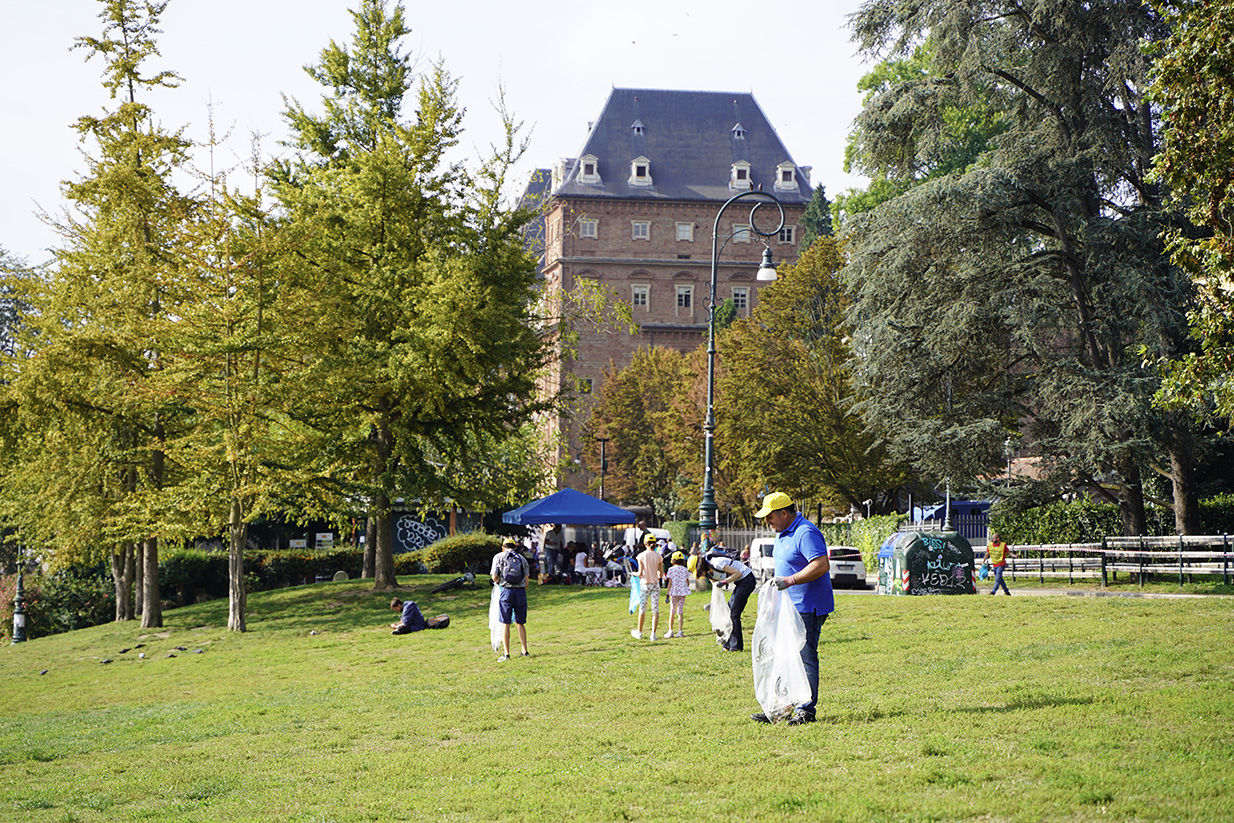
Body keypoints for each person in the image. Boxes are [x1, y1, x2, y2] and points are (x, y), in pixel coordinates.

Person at [753, 491, 834, 726]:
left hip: (807, 607)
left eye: (770, 516)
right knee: (785, 657)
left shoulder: (805, 532)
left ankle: (806, 711)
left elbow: (821, 565)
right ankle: (784, 708)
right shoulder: (782, 533)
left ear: (784, 513)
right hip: (787, 607)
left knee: (804, 657)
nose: (767, 521)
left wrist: (790, 581)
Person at [695, 548, 756, 652]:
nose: (705, 576)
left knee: (734, 614)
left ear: (704, 568)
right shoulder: (710, 570)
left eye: (703, 574)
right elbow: (715, 583)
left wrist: (724, 582)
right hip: (740, 583)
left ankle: (736, 647)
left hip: (747, 580)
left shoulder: (717, 563)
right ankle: (727, 645)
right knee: (728, 613)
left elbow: (738, 573)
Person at [490, 537, 531, 661]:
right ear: (514, 547)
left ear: (503, 547)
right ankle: (524, 651)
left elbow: (494, 576)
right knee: (520, 622)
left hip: (506, 592)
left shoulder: (498, 557)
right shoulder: (522, 559)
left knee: (505, 623)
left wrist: (498, 581)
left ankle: (506, 654)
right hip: (520, 592)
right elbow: (527, 582)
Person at [630, 532, 664, 640]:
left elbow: (640, 573)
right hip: (655, 585)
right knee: (655, 609)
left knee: (642, 609)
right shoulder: (659, 556)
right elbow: (661, 574)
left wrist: (633, 574)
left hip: (645, 584)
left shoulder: (641, 556)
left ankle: (639, 632)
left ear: (645, 543)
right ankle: (653, 634)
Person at [664, 550, 691, 638]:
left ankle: (670, 630)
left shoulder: (671, 570)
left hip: (674, 593)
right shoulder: (685, 570)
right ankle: (680, 630)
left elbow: (670, 583)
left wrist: (667, 594)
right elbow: (687, 582)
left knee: (672, 611)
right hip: (682, 593)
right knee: (680, 611)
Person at [987, 531, 1013, 595]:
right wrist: (984, 561)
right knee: (1000, 579)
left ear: (998, 538)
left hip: (1001, 564)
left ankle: (993, 592)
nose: (993, 540)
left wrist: (1014, 555)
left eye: (994, 538)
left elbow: (1008, 552)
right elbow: (987, 553)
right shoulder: (990, 545)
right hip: (995, 564)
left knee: (997, 578)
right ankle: (1006, 591)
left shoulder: (1003, 545)